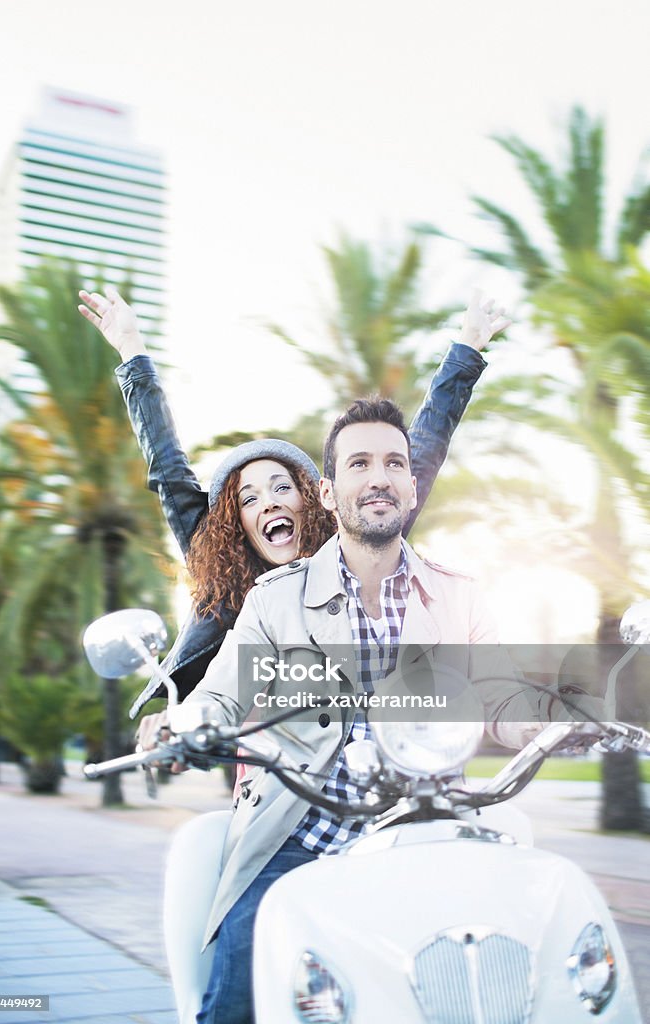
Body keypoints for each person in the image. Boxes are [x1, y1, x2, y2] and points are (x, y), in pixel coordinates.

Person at [168, 396, 559, 1024]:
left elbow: (500, 692)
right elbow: (220, 693)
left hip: (429, 830)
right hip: (301, 836)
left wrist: (540, 720)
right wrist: (188, 725)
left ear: (411, 484)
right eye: (358, 463)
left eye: (393, 463)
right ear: (327, 491)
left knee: (511, 978)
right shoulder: (274, 599)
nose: (377, 477)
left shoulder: (460, 597)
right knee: (240, 986)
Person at [77, 286, 510, 728]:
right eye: (249, 498)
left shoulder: (356, 541)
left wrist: (467, 347)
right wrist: (132, 351)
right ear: (235, 524)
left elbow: (419, 451)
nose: (268, 503)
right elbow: (168, 470)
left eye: (281, 487)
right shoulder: (221, 569)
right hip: (259, 753)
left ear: (317, 498)